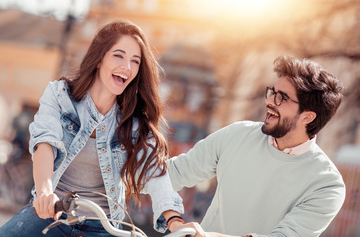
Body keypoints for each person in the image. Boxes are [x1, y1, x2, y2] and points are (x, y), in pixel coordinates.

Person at [0, 20, 187, 237]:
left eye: (135, 61)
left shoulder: (135, 123)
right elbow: (45, 143)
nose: (127, 67)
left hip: (102, 227)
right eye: (119, 55)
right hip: (52, 214)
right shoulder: (60, 96)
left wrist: (175, 221)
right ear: (99, 58)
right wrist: (45, 193)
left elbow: (154, 172)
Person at [167, 55, 346, 237]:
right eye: (272, 93)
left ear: (308, 117)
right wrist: (173, 219)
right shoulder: (238, 135)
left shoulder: (326, 184)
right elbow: (172, 174)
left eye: (282, 98)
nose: (269, 101)